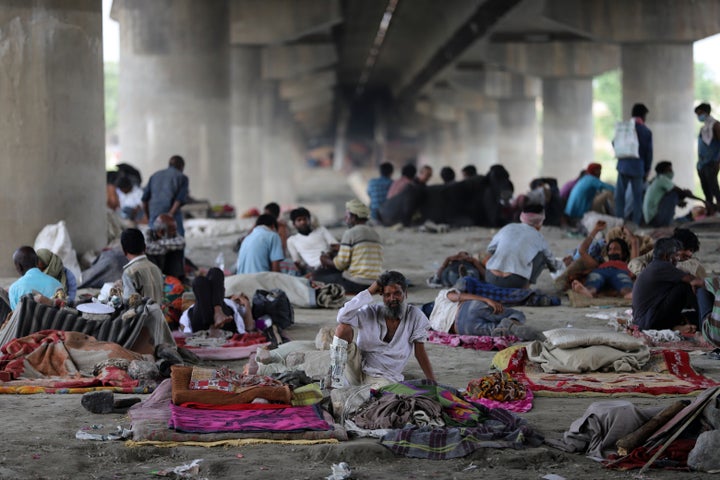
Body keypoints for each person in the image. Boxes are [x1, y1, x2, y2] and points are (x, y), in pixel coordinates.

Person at [329, 271, 435, 388]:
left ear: (405, 293)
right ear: (382, 295)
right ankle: (336, 380)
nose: (392, 298)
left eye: (397, 293)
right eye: (387, 295)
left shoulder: (415, 316)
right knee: (343, 329)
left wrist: (432, 380)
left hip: (385, 377)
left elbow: (420, 352)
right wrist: (369, 291)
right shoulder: (371, 311)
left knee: (380, 397)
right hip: (357, 368)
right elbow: (342, 317)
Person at [632, 238, 705, 333]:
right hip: (650, 322)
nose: (678, 259)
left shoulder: (653, 266)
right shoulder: (662, 266)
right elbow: (693, 281)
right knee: (684, 286)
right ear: (667, 256)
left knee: (691, 317)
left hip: (643, 322)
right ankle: (708, 318)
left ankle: (687, 323)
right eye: (676, 256)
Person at [484, 204, 563, 289]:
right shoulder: (539, 237)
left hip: (490, 278)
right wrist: (564, 264)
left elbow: (490, 250)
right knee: (542, 256)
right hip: (514, 282)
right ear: (540, 221)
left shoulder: (508, 227)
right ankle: (525, 288)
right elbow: (552, 263)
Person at [315, 199, 383, 294]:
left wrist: (325, 259)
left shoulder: (350, 233)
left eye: (347, 216)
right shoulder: (375, 233)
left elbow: (341, 264)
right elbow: (362, 252)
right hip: (374, 283)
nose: (345, 219)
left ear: (353, 217)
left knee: (318, 276)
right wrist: (341, 247)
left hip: (357, 283)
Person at [571, 221, 639, 299]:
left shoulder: (629, 265)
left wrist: (625, 229)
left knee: (625, 285)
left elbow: (634, 241)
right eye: (610, 249)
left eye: (616, 249)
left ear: (623, 253)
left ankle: (630, 294)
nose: (612, 251)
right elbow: (582, 251)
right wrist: (595, 230)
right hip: (600, 272)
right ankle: (587, 292)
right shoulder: (600, 264)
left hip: (621, 272)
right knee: (593, 281)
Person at [179, 267, 255, 334]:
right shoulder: (226, 300)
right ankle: (218, 312)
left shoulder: (234, 305)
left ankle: (218, 314)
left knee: (203, 279)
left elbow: (249, 327)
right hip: (202, 321)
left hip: (224, 323)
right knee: (204, 278)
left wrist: (246, 303)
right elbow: (183, 326)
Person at [615, 103, 653, 225]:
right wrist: (647, 170)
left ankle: (619, 222)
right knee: (638, 198)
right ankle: (636, 223)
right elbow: (649, 153)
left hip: (623, 166)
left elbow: (614, 143)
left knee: (619, 196)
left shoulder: (623, 128)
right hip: (638, 168)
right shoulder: (646, 131)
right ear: (643, 115)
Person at [628, 227, 706, 280]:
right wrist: (647, 272)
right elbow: (633, 263)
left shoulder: (693, 265)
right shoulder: (661, 251)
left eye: (691, 251)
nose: (689, 254)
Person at [142, 155, 189, 236]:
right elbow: (179, 199)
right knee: (177, 239)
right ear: (182, 166)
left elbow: (144, 199)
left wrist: (148, 216)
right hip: (172, 214)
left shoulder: (155, 175)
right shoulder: (182, 177)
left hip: (154, 213)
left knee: (153, 239)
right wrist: (169, 215)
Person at [642, 161, 695, 227]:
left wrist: (678, 201)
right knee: (673, 194)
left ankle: (684, 218)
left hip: (651, 219)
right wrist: (703, 201)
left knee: (672, 194)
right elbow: (680, 191)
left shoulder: (656, 180)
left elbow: (662, 198)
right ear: (664, 171)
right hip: (655, 219)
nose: (672, 172)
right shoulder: (662, 179)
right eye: (670, 169)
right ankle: (670, 222)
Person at [286, 207, 338, 274]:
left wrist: (329, 253)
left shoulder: (321, 230)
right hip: (314, 270)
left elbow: (336, 245)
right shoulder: (292, 240)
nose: (303, 222)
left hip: (330, 262)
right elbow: (297, 262)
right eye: (299, 220)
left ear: (309, 220)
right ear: (294, 224)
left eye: (305, 219)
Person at [120, 228, 164, 304]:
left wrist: (120, 294)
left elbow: (129, 302)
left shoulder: (129, 272)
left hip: (142, 315)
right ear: (145, 247)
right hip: (158, 314)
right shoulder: (156, 268)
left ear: (124, 251)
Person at [694, 103, 720, 210]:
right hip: (702, 164)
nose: (698, 116)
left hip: (711, 163)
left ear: (706, 112)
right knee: (707, 192)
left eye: (699, 113)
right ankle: (710, 211)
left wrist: (718, 162)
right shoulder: (704, 128)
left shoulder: (716, 125)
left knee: (715, 190)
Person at [145, 213, 186, 279]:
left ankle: (175, 278)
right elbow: (147, 248)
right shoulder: (148, 232)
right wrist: (166, 247)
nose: (175, 232)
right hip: (154, 267)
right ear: (162, 232)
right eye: (172, 231)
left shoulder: (173, 233)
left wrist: (159, 243)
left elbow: (181, 242)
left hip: (167, 267)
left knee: (177, 250)